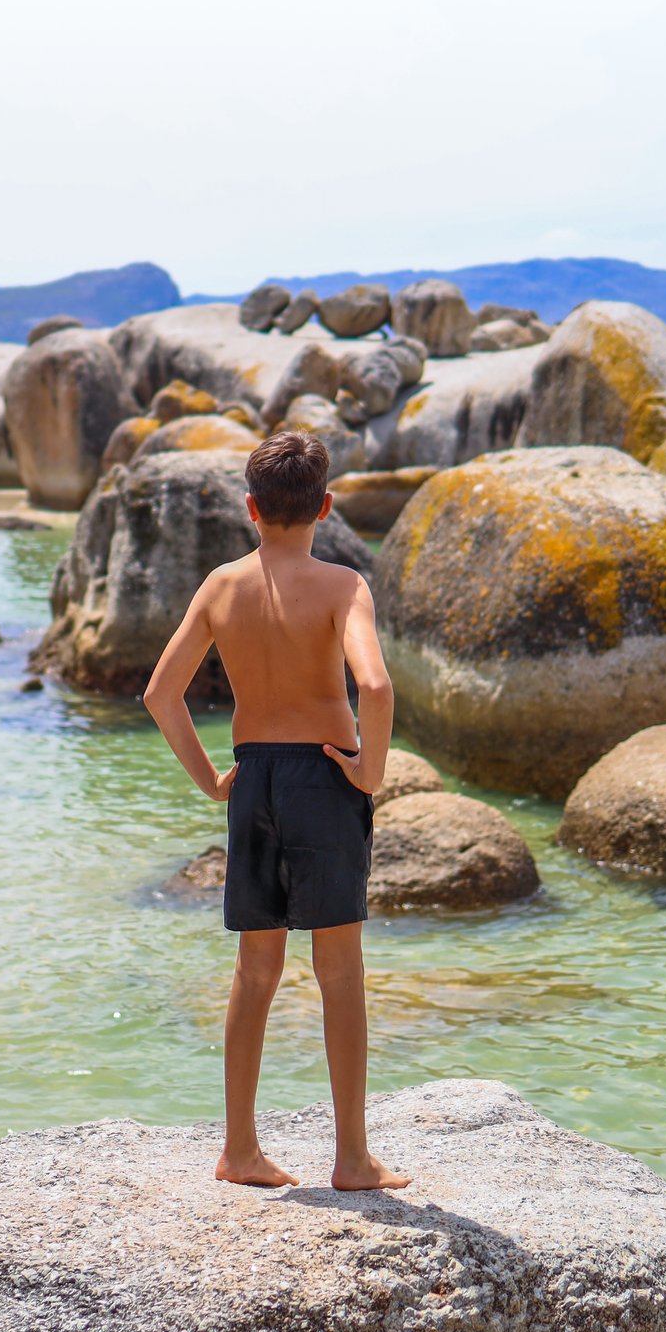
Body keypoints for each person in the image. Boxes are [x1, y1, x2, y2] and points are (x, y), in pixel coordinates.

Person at [143, 430, 409, 1192]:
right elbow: (379, 688)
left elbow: (162, 694)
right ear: (324, 506)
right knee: (340, 969)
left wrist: (211, 781)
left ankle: (240, 1149)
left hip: (255, 776)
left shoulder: (221, 585)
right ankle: (352, 1157)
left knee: (255, 969)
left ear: (252, 509)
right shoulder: (343, 585)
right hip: (326, 780)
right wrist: (371, 771)